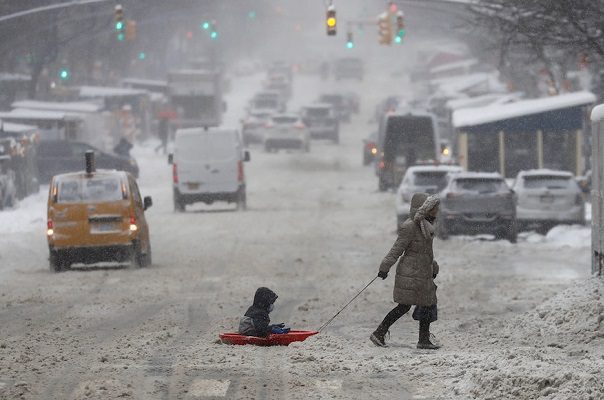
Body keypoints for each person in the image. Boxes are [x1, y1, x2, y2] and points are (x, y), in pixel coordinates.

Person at [371, 193, 441, 350]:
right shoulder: (410, 226)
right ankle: (380, 333)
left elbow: (426, 252)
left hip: (422, 273)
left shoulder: (425, 226)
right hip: (411, 273)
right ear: (425, 209)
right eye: (434, 207)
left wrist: (433, 267)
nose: (437, 210)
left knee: (427, 304)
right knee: (406, 306)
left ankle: (422, 339)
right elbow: (396, 249)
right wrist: (384, 267)